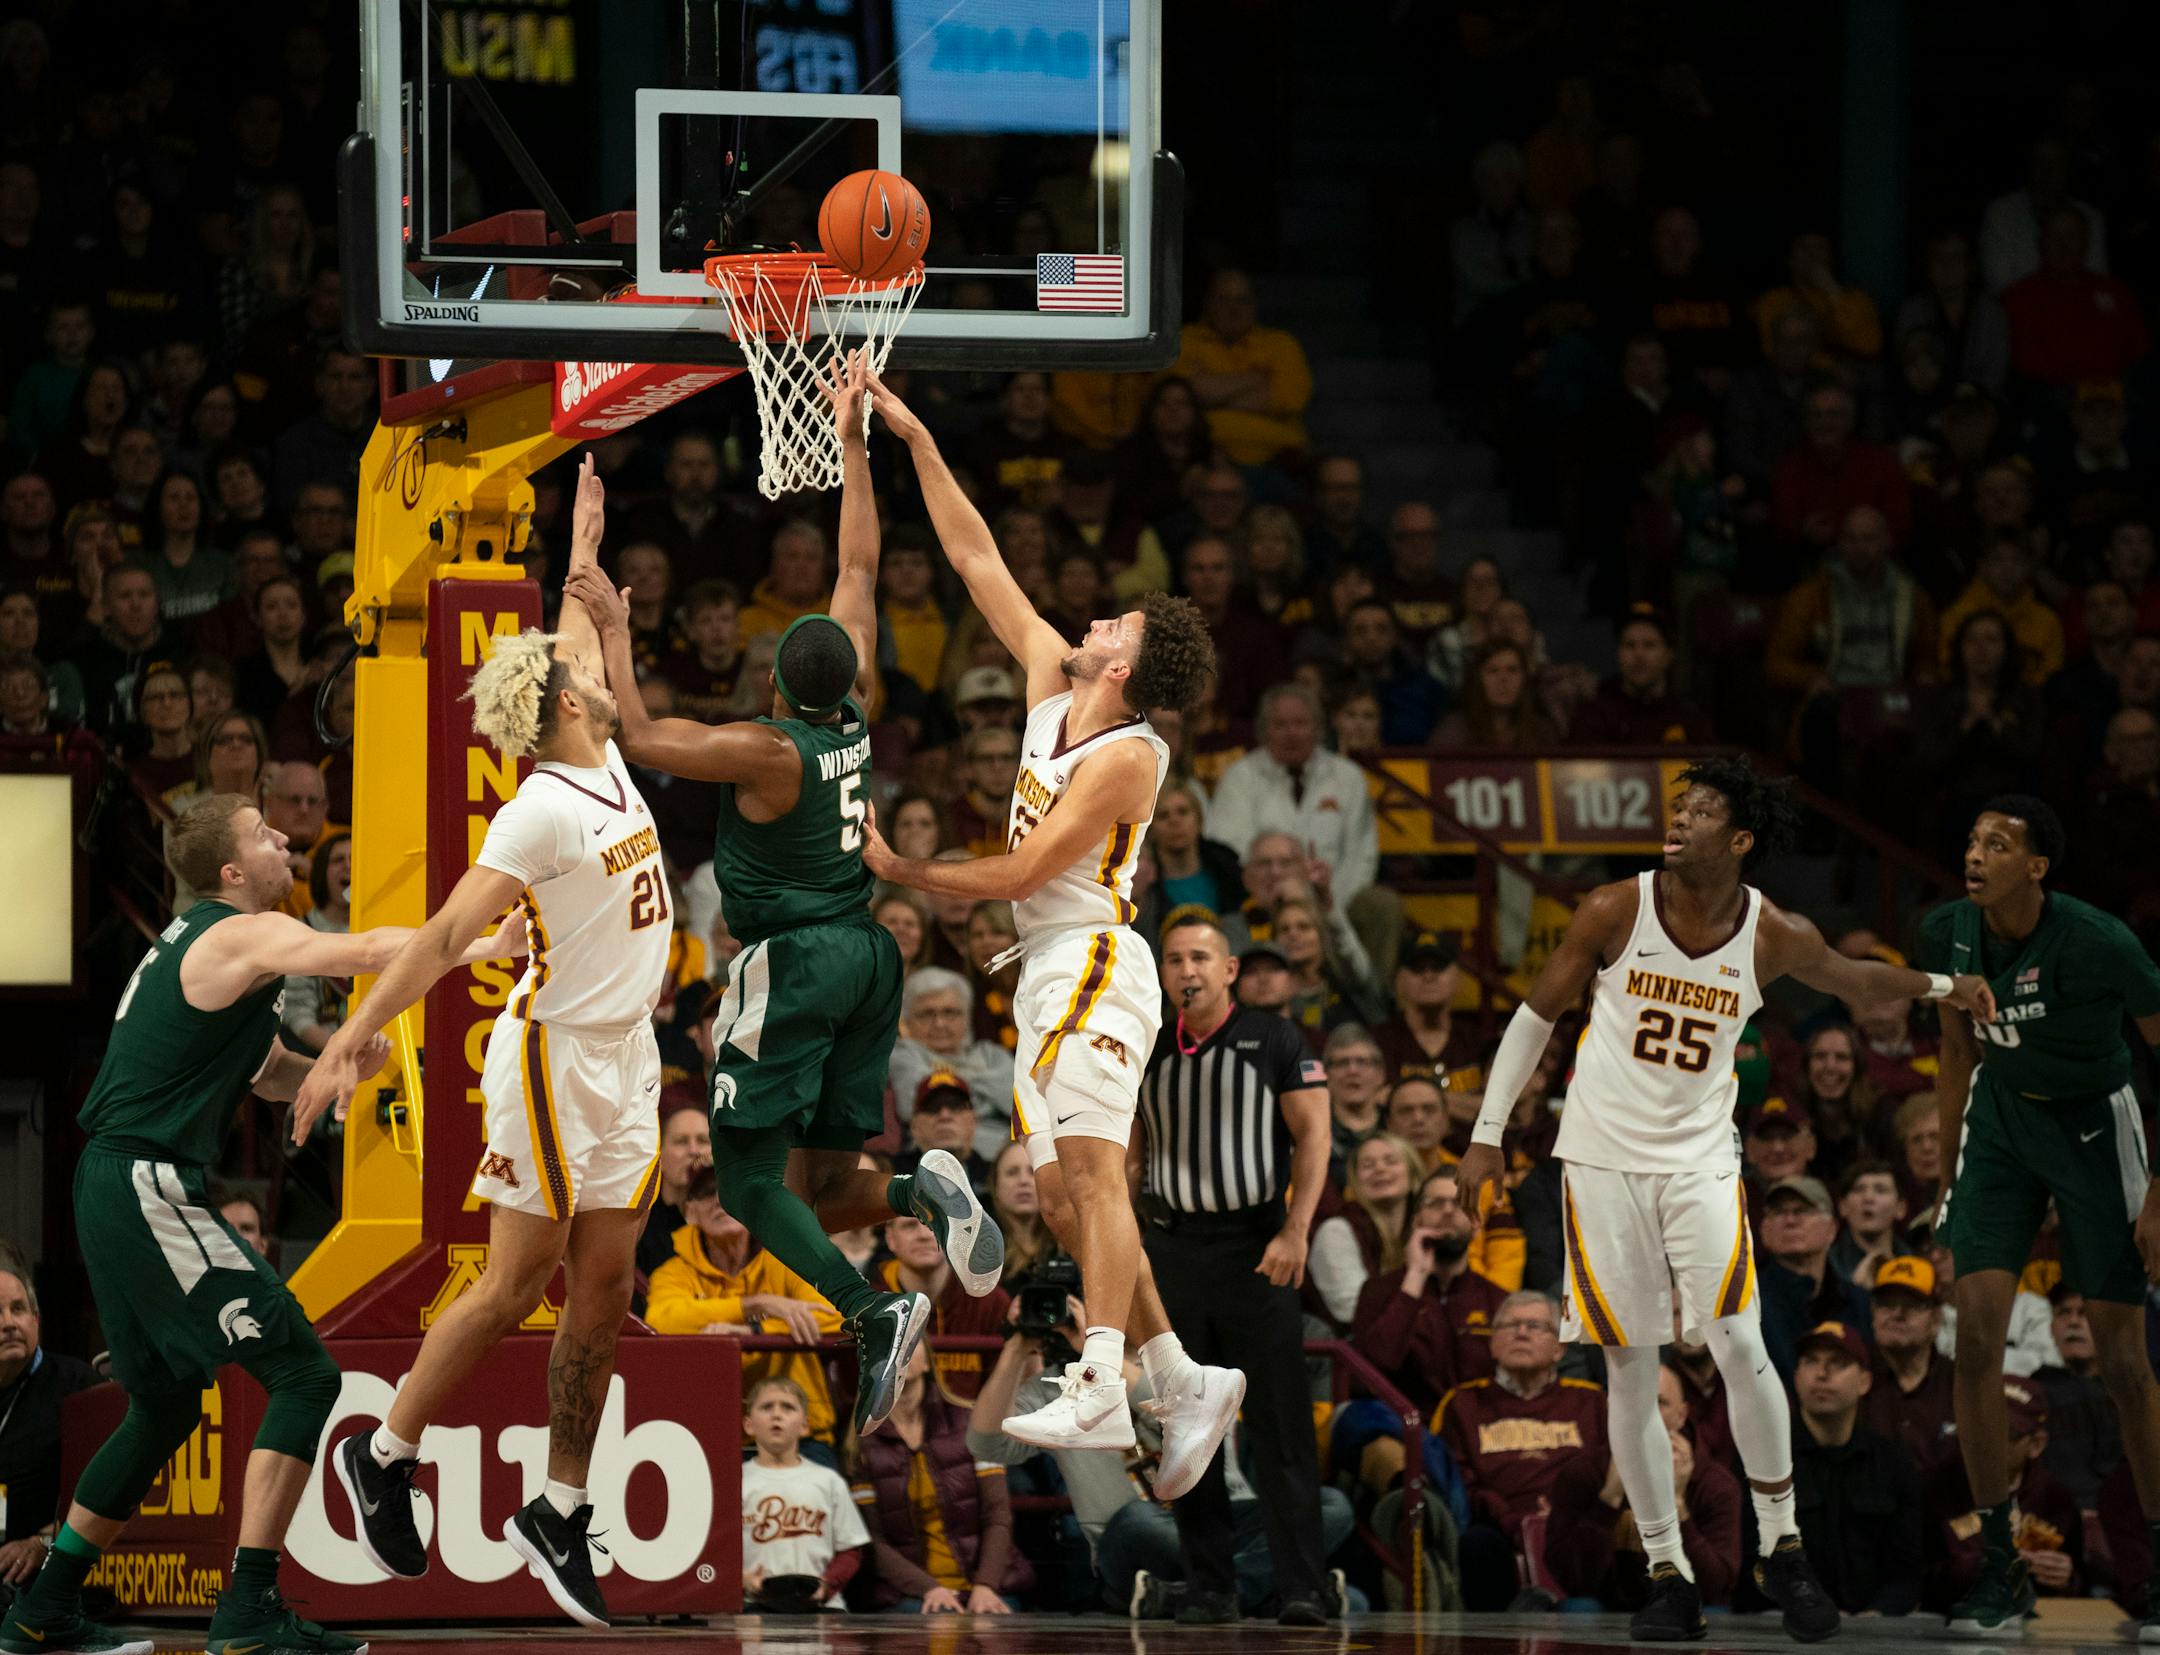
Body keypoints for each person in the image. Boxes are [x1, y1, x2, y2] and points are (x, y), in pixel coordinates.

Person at [1456, 755, 1993, 1642]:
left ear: (1739, 840)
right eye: (1681, 805)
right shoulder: (1615, 907)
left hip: (1700, 1156)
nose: (1679, 819)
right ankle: (1667, 1570)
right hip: (1598, 1158)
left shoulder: (1771, 932)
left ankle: (1783, 1546)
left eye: (1701, 810)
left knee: (1741, 1337)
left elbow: (1856, 983)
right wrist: (1485, 1134)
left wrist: (1942, 986)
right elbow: (1534, 1015)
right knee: (1629, 1360)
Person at [567, 371, 1000, 1431]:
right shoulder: (853, 712)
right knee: (820, 1181)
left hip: (795, 962)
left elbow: (644, 737)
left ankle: (867, 1309)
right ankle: (920, 1188)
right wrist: (853, 443)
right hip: (865, 954)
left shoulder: (770, 750)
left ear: (774, 679)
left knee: (751, 1186)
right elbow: (858, 559)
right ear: (843, 674)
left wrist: (615, 627)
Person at [297, 456, 681, 1629]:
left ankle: (558, 1507)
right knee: (517, 1281)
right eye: (581, 678)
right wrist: (350, 1039)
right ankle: (387, 1450)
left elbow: (568, 627)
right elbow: (440, 937)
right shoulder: (541, 804)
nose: (600, 678)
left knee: (606, 1286)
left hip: (627, 1055)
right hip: (552, 1052)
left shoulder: (600, 751)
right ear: (566, 705)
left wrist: (582, 542)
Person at [0, 793, 520, 1655]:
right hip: (148, 1182)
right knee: (307, 1375)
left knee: (163, 1407)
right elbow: (364, 950)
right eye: (263, 832)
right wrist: (479, 943)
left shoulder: (211, 950)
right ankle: (247, 1609)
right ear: (233, 871)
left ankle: (41, 1605)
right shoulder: (237, 931)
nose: (284, 838)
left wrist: (336, 1064)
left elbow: (266, 1070)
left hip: (114, 1180)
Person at [850, 365, 1238, 1494]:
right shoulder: (1049, 684)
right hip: (1048, 971)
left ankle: (1106, 1376)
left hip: (1095, 964)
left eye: (1110, 618)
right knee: (1065, 1193)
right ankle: (1181, 1372)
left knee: (1095, 1181)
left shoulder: (1128, 755)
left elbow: (1020, 867)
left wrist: (902, 867)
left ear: (1124, 663)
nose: (1089, 614)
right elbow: (976, 557)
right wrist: (916, 432)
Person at [1922, 794, 2160, 1633]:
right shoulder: (1948, 930)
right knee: (1975, 1336)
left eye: (1998, 842)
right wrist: (1948, 1177)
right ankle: (2000, 1563)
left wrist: (2159, 1191)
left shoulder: (2101, 941)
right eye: (1972, 838)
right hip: (2002, 1125)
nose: (1976, 853)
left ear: (2038, 866)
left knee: (2125, 1361)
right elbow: (1956, 1051)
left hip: (2097, 1124)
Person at [1135, 916, 1337, 1624]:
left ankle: (1304, 1584)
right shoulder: (1146, 1044)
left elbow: (1315, 1136)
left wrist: (1295, 1228)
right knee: (1186, 1424)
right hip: (1172, 1250)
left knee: (1279, 1425)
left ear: (1229, 970)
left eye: (1200, 956)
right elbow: (1129, 1154)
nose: (1186, 968)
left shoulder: (1273, 1039)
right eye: (1174, 958)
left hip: (1257, 1248)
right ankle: (1210, 1582)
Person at [1435, 1289, 1607, 1611]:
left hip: (1574, 1526)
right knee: (1477, 1544)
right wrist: (1508, 1517)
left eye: (1534, 1325)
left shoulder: (1592, 1401)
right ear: (1492, 1344)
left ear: (1559, 1348)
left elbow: (1609, 1471)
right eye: (1509, 1325)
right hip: (1496, 1529)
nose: (1521, 1332)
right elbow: (1456, 1479)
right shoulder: (1462, 1402)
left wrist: (1568, 1510)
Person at [645, 1168, 841, 1443]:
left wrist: (755, 1332)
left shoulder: (788, 1257)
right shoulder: (673, 1273)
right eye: (706, 1193)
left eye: (730, 1192)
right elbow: (661, 1320)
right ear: (690, 1212)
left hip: (802, 1435)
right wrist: (755, 1305)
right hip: (707, 1436)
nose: (719, 1200)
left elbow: (837, 1314)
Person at [850, 1341, 1030, 1613]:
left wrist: (985, 1585)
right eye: (889, 1341)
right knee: (934, 1620)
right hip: (908, 1593)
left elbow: (997, 1515)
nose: (899, 1349)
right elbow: (873, 1542)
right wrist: (929, 1588)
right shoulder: (859, 1442)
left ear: (927, 1362)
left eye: (910, 1342)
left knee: (993, 1622)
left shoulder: (971, 1422)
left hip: (986, 1584)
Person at [1789, 1320, 1927, 1616]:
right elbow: (1753, 1567)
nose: (1822, 1374)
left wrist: (1876, 1616)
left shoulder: (1893, 1465)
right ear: (1796, 1376)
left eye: (1837, 1363)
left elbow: (1908, 1571)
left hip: (1873, 1631)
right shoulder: (1767, 1462)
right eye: (1811, 1361)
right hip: (1783, 1624)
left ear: (1865, 1382)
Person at [1930, 1375, 2085, 1617]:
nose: (1986, 1441)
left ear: (2036, 1444)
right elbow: (1915, 1578)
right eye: (1979, 1427)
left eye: (2003, 1433)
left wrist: (2067, 1579)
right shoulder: (1938, 1487)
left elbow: (2082, 1582)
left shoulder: (2054, 1499)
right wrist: (1981, 1567)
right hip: (1949, 1623)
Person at [0, 1255, 98, 1591]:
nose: (9, 1323)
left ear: (37, 1319)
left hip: (48, 1568)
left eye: (19, 1309)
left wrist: (43, 1542)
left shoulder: (79, 1387)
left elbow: (107, 1494)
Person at [740, 1377, 868, 1613]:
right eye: (767, 1407)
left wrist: (828, 1585)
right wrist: (741, 1579)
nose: (776, 1415)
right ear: (748, 1424)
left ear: (805, 1425)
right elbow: (717, 1553)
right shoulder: (735, 1483)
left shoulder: (828, 1481)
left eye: (787, 1407)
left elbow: (850, 1550)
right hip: (754, 1606)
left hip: (821, 1605)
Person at [1863, 1254, 1959, 1474]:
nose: (1897, 1314)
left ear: (1936, 1318)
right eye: (1886, 1304)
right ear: (1873, 1313)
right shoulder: (1852, 1378)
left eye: (1912, 1305)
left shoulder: (1960, 1384)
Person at [636, 1100, 711, 1277]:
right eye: (681, 1142)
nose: (694, 1151)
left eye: (703, 1141)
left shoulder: (731, 1218)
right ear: (659, 1157)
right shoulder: (641, 1225)